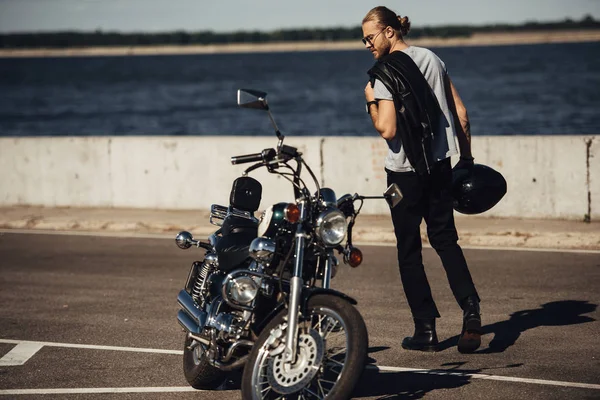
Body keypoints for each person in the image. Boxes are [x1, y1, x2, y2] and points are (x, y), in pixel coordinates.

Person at [362, 6, 482, 353]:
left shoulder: (382, 74)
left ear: (389, 32)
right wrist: (468, 158)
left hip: (403, 175)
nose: (367, 45)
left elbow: (387, 128)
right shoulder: (432, 58)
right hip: (440, 167)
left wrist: (370, 101)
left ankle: (425, 330)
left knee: (409, 249)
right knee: (445, 240)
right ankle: (471, 310)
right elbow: (461, 114)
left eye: (370, 37)